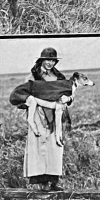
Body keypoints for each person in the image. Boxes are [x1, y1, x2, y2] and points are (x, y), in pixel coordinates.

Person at [11, 47, 67, 191]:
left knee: (54, 147)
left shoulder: (59, 77)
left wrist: (67, 98)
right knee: (40, 147)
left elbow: (68, 93)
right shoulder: (33, 76)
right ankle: (43, 184)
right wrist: (28, 101)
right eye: (48, 60)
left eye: (53, 60)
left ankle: (54, 182)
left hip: (55, 115)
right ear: (42, 60)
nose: (50, 63)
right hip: (38, 115)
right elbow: (20, 94)